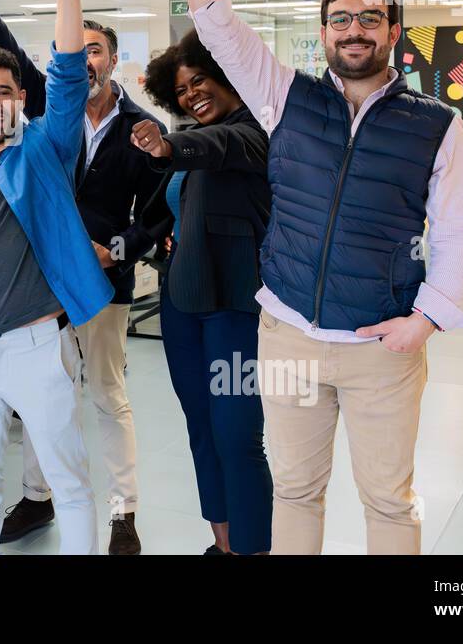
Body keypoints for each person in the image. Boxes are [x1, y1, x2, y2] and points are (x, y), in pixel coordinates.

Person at [158, 0, 463, 554]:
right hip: (289, 338)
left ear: (393, 31)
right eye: (340, 20)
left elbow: (454, 233)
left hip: (380, 350)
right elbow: (220, 28)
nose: (354, 31)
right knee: (296, 492)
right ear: (324, 30)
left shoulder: (436, 125)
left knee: (389, 503)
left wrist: (426, 320)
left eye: (370, 19)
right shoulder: (287, 99)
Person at [0, 0, 165, 554]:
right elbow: (7, 56)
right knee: (31, 430)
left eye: (98, 52)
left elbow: (156, 216)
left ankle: (122, 512)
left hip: (95, 284)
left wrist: (115, 249)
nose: (86, 60)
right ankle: (36, 500)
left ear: (111, 61)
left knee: (104, 397)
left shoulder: (123, 130)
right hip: (6, 317)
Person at [134, 31, 274, 555]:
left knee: (237, 437)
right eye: (182, 90)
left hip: (235, 311)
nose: (192, 93)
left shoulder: (253, 130)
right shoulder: (197, 134)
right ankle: (225, 542)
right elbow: (163, 210)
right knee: (201, 429)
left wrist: (170, 144)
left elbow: (220, 150)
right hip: (183, 306)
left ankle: (255, 547)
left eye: (199, 80)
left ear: (223, 75)